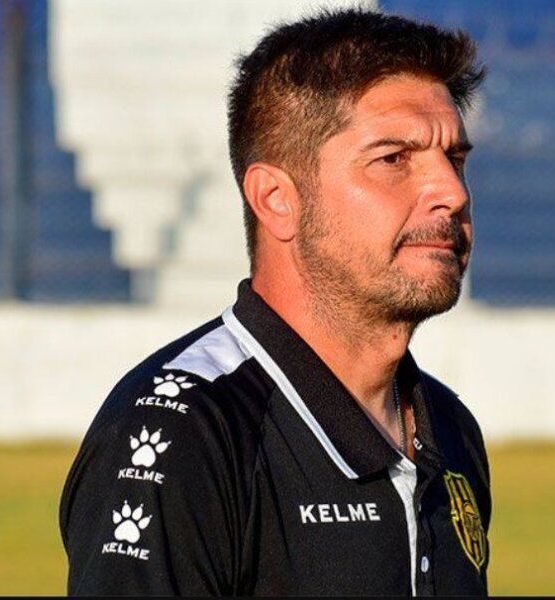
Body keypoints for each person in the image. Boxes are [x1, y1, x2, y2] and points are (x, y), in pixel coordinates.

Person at [60, 7, 490, 596]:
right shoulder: (183, 436)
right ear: (276, 199)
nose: (451, 192)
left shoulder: (449, 429)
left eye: (455, 160)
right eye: (393, 159)